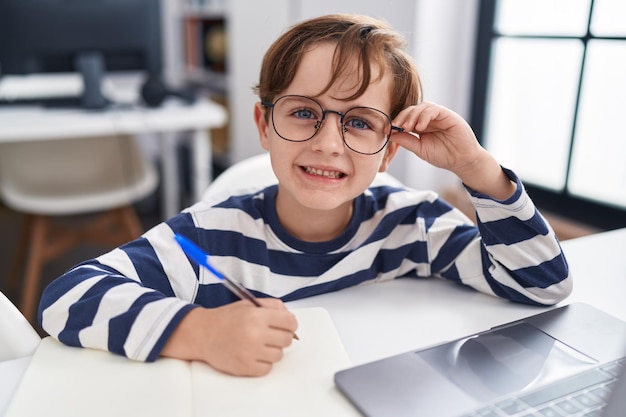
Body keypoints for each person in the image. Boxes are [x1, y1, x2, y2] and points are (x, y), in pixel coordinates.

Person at [38, 14, 571, 377]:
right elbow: (65, 299)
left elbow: (541, 286)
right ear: (264, 125)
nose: (328, 143)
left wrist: (478, 170)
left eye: (360, 123)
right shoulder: (207, 238)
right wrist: (199, 332)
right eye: (302, 112)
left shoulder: (413, 225)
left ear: (389, 152)